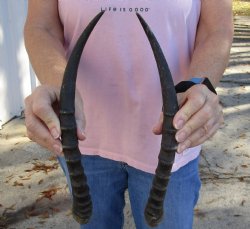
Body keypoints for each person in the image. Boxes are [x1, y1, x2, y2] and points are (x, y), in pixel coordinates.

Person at [24, 0, 233, 228]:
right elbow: (41, 26)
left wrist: (197, 84)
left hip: (171, 143)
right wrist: (60, 86)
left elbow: (217, 28)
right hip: (80, 139)